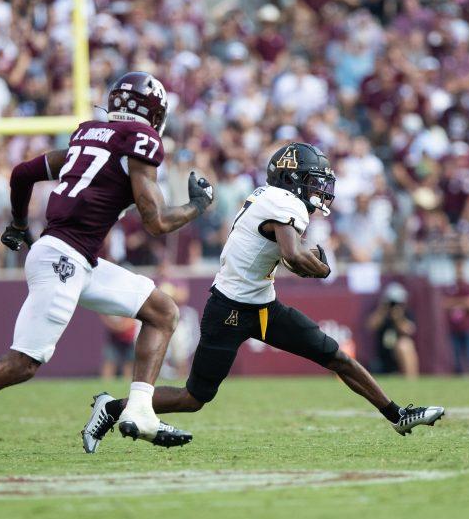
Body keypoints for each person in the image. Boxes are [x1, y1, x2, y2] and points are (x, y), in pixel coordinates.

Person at [0, 71, 215, 466]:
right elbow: (157, 222)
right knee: (22, 362)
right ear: (154, 114)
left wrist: (16, 224)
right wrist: (198, 206)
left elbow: (23, 173)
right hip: (65, 257)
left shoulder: (89, 135)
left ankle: (139, 409)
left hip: (75, 256)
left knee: (162, 312)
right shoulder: (142, 141)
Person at [80, 142, 444, 454]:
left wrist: (308, 260)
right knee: (194, 398)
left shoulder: (270, 197)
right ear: (292, 179)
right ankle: (113, 408)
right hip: (229, 310)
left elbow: (289, 255)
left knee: (335, 356)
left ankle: (398, 415)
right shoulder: (283, 201)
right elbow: (292, 256)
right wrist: (321, 268)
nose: (319, 189)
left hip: (261, 306)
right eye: (313, 181)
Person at [366, 282, 419, 377]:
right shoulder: (382, 314)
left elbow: (409, 330)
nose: (394, 305)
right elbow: (370, 326)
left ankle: (411, 380)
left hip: (398, 356)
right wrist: (382, 310)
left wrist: (398, 318)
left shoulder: (406, 313)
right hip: (383, 356)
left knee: (405, 344)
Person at [443, 257, 469, 375]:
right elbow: (445, 304)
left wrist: (455, 302)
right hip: (454, 328)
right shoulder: (450, 287)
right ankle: (458, 375)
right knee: (456, 356)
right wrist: (463, 302)